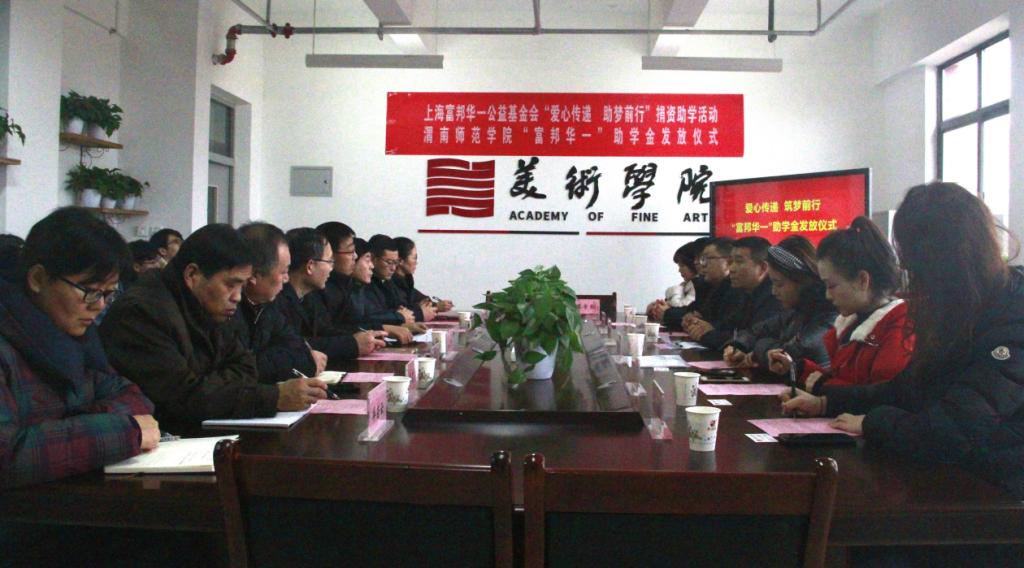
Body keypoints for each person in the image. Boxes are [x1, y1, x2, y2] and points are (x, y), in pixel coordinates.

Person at [782, 182, 1024, 565]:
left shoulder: (1010, 317)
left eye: (913, 266)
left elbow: (954, 430)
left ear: (941, 262)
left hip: (995, 503)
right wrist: (827, 402)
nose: (911, 280)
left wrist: (872, 422)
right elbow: (909, 388)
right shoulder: (962, 306)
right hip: (951, 481)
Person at [101, 224, 326, 437]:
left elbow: (246, 367)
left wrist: (208, 383)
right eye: (230, 284)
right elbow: (181, 398)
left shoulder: (210, 304)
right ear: (192, 275)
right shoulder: (142, 312)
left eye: (241, 285)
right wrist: (273, 397)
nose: (238, 297)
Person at [0, 207, 157, 487]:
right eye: (90, 291)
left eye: (108, 294)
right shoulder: (9, 345)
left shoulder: (77, 338)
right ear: (38, 279)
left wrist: (69, 427)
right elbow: (8, 455)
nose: (99, 306)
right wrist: (121, 432)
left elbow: (134, 397)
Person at [798, 217, 913, 392]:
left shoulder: (900, 330)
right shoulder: (850, 324)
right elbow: (844, 381)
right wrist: (800, 369)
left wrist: (823, 387)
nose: (827, 295)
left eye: (831, 286)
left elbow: (878, 395)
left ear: (862, 280)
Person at [230, 222, 325, 384]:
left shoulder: (267, 305)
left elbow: (299, 348)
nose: (286, 279)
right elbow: (242, 370)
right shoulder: (228, 309)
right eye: (283, 272)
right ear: (253, 275)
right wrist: (300, 361)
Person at [725, 235, 836, 372]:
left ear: (802, 281)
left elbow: (787, 355)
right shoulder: (798, 310)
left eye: (779, 284)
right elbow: (756, 330)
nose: (773, 291)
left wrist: (757, 353)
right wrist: (739, 346)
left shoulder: (828, 315)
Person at [274, 228, 386, 362]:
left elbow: (325, 331)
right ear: (310, 266)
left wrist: (364, 337)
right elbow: (294, 345)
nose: (331, 268)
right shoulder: (277, 300)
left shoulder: (310, 297)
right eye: (329, 261)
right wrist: (352, 344)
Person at [315, 222, 412, 344]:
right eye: (351, 251)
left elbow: (351, 324)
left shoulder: (346, 286)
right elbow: (328, 332)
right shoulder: (322, 290)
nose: (354, 256)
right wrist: (389, 324)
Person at [693, 236, 782, 351]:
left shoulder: (775, 296)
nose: (731, 269)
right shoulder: (744, 293)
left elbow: (754, 340)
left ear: (763, 268)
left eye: (739, 262)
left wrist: (708, 335)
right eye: (731, 262)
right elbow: (729, 327)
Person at [664, 237, 744, 331]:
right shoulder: (712, 287)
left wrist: (702, 325)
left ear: (727, 262)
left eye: (706, 259)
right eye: (701, 259)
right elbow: (696, 314)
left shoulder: (737, 291)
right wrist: (691, 319)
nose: (701, 264)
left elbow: (726, 328)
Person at [349, 234, 422, 330]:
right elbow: (365, 319)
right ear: (374, 259)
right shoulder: (362, 285)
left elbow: (396, 308)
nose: (393, 268)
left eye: (395, 262)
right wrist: (400, 316)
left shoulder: (386, 283)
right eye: (389, 262)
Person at [393, 236, 454, 321]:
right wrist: (421, 311)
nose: (416, 262)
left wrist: (436, 305)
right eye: (414, 258)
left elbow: (423, 300)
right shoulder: (389, 284)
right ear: (400, 261)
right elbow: (402, 312)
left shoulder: (406, 282)